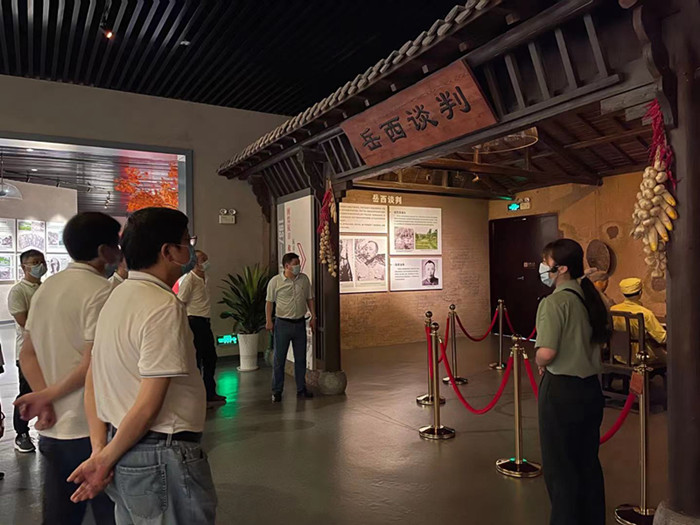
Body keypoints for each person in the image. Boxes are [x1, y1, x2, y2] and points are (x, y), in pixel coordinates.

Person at [67, 207, 216, 524]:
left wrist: (101, 450)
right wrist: (103, 459)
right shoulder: (162, 305)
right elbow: (149, 403)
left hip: (123, 446)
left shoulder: (116, 297)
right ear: (168, 252)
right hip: (161, 455)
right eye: (186, 242)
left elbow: (93, 379)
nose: (190, 250)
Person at [15, 212, 120, 525]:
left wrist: (45, 398)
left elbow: (27, 354)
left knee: (59, 516)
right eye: (116, 245)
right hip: (91, 429)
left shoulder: (48, 287)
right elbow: (92, 364)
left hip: (53, 429)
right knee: (109, 514)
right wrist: (47, 396)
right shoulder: (101, 291)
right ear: (104, 251)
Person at [535, 239, 609, 525]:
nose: (543, 267)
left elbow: (547, 352)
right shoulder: (592, 298)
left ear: (561, 268)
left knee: (561, 470)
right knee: (587, 464)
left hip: (561, 392)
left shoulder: (554, 303)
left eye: (546, 262)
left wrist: (538, 360)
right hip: (590, 391)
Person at [7, 249, 47, 453]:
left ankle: (46, 428)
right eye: (35, 262)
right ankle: (21, 433)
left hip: (48, 352)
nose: (40, 265)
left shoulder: (47, 288)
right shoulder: (18, 291)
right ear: (24, 267)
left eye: (42, 261)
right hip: (27, 354)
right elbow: (24, 322)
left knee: (48, 390)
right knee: (27, 392)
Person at [177, 249, 226, 407]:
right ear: (195, 262)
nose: (206, 262)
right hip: (194, 322)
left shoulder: (205, 278)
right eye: (202, 259)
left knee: (210, 358)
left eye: (206, 258)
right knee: (197, 360)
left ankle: (209, 392)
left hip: (205, 322)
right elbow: (180, 303)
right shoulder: (189, 280)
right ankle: (197, 397)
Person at [266, 253, 315, 403]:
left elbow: (309, 298)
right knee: (279, 359)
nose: (298, 267)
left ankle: (301, 389)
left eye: (298, 263)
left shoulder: (304, 279)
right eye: (295, 264)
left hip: (299, 323)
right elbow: (269, 302)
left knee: (301, 359)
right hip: (282, 324)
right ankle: (277, 391)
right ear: (287, 266)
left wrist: (313, 316)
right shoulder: (275, 281)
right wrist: (268, 321)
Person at [611, 277, 667, 363]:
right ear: (640, 292)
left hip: (618, 355)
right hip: (640, 356)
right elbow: (662, 338)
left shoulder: (613, 309)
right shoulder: (645, 313)